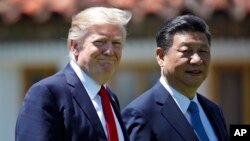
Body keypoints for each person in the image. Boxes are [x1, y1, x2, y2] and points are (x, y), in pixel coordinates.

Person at [15, 7, 132, 141]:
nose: (110, 51)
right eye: (100, 42)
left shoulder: (110, 98)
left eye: (116, 43)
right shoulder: (47, 94)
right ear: (75, 46)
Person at [122, 15, 229, 141]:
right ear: (161, 56)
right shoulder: (141, 114)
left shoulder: (213, 110)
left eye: (203, 51)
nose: (197, 59)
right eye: (186, 51)